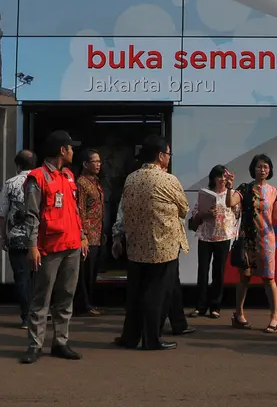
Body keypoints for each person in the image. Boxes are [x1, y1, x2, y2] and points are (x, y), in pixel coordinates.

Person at [112, 135, 189, 351]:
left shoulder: (131, 178)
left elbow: (125, 208)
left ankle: (129, 337)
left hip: (136, 246)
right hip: (163, 247)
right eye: (168, 154)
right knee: (157, 295)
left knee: (135, 294)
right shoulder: (169, 180)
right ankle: (151, 339)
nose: (169, 158)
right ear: (160, 156)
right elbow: (184, 208)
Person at [20, 131, 87, 364]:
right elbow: (31, 215)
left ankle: (61, 342)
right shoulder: (37, 177)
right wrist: (32, 246)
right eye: (70, 148)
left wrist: (82, 236)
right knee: (42, 298)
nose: (73, 151)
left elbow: (74, 209)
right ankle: (34, 345)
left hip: (72, 245)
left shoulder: (68, 175)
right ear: (62, 151)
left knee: (66, 297)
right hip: (49, 248)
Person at [231, 153, 277, 334]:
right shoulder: (245, 188)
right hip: (248, 239)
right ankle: (238, 314)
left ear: (269, 170)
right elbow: (231, 202)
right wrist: (229, 186)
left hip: (267, 239)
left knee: (269, 279)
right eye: (259, 166)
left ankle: (275, 317)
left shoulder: (274, 191)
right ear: (253, 169)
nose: (262, 170)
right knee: (244, 278)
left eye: (265, 167)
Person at [187, 165, 241, 320]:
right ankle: (200, 306)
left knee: (219, 271)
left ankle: (215, 306)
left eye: (224, 176)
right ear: (213, 178)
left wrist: (231, 192)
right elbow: (196, 214)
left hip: (223, 236)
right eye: (219, 176)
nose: (222, 179)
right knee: (202, 271)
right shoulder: (205, 194)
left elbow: (237, 213)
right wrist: (207, 213)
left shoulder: (231, 194)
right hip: (205, 236)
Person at [0, 149, 37, 329]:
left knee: (21, 278)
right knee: (38, 278)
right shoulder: (42, 181)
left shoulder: (10, 183)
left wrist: (3, 236)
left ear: (17, 165)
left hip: (17, 238)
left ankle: (26, 317)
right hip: (39, 238)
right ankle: (39, 314)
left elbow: (1, 213)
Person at [74, 148, 106, 317]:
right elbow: (79, 210)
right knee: (84, 273)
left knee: (92, 272)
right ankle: (83, 305)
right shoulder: (81, 183)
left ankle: (88, 303)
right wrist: (82, 235)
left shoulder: (96, 182)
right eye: (95, 161)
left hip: (98, 235)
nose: (98, 164)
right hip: (87, 235)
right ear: (85, 164)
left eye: (99, 161)